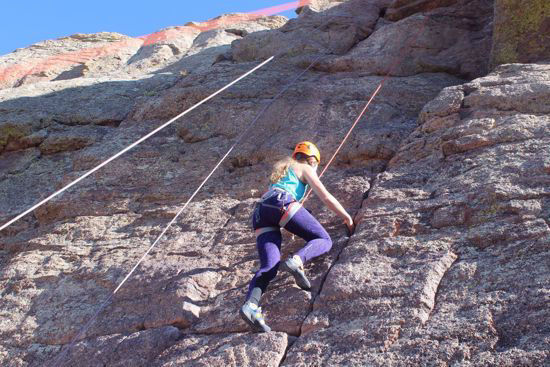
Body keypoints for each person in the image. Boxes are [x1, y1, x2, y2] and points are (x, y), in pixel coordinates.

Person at [240, 141, 355, 332]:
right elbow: (325, 197)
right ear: (312, 161)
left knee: (269, 266)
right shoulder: (305, 167)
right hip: (282, 203)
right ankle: (297, 261)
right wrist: (347, 217)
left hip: (261, 212)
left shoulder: (283, 170)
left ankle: (251, 306)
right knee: (324, 240)